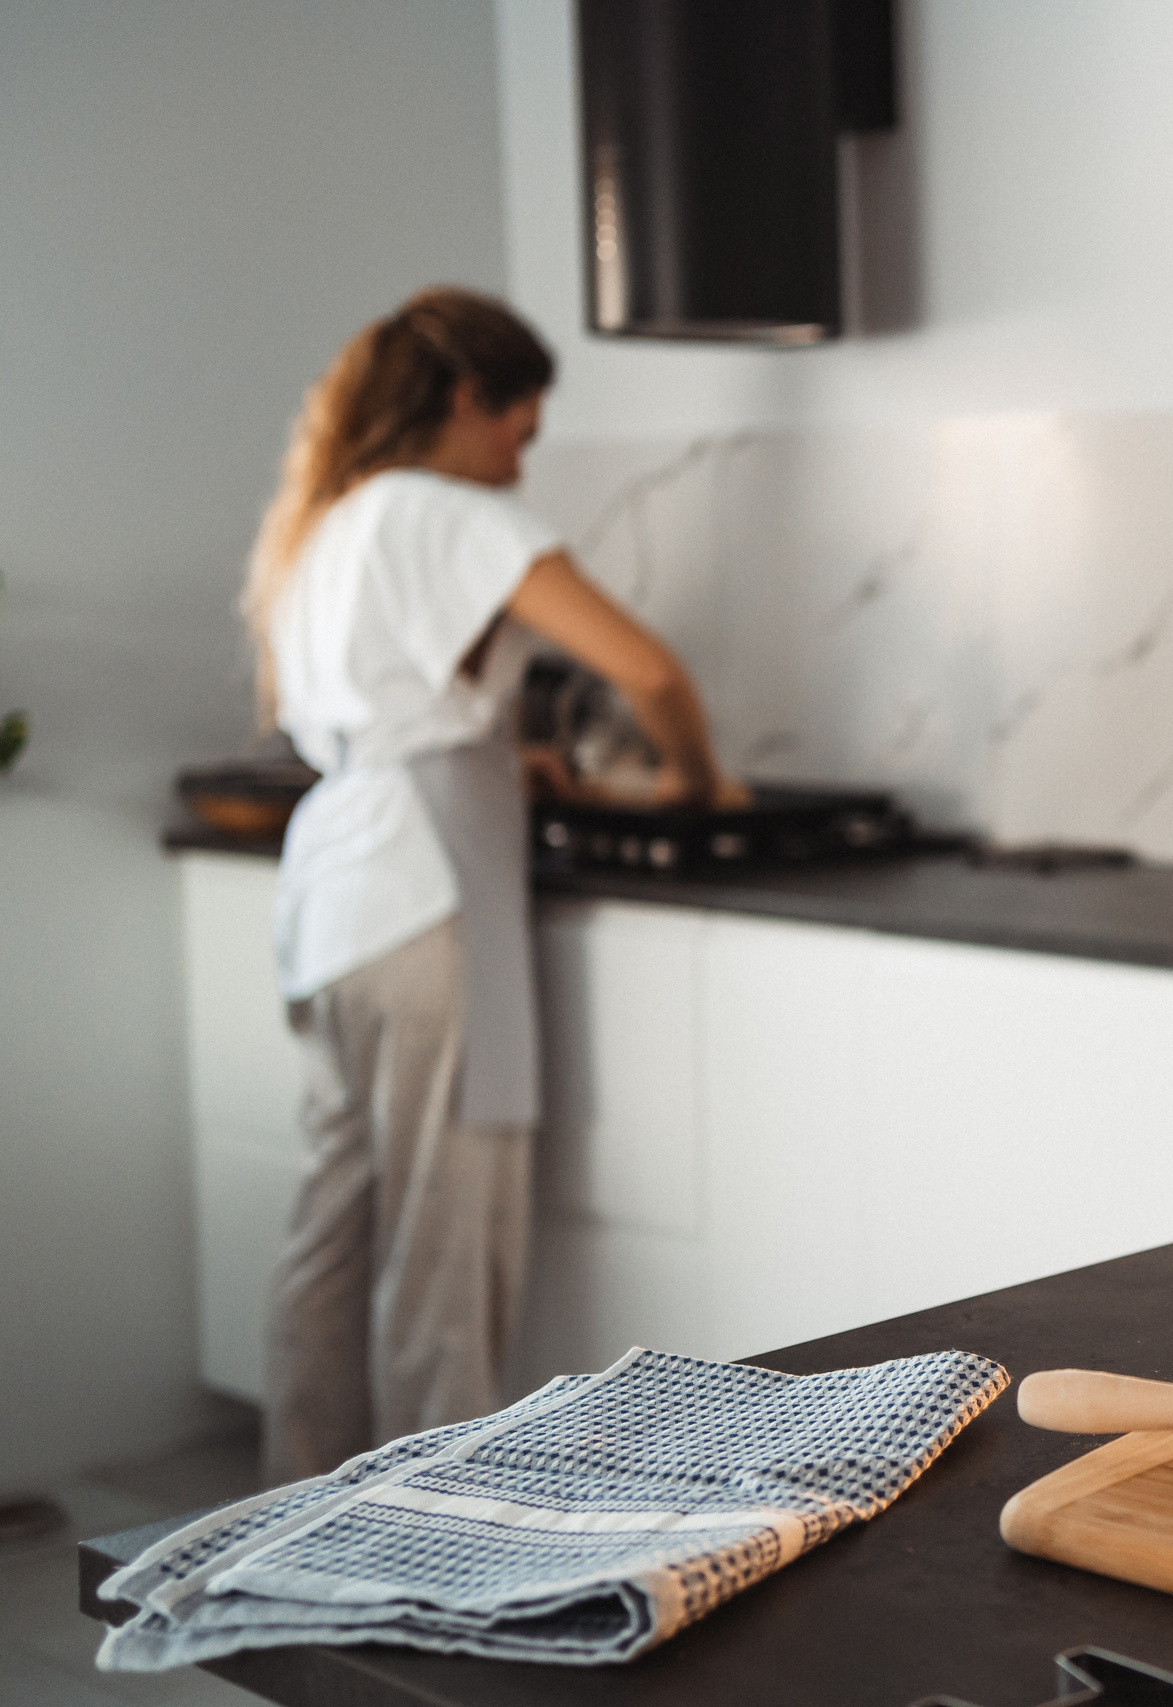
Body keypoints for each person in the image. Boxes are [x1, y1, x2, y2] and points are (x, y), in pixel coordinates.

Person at [244, 285, 744, 1481]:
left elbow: (395, 717)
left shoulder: (331, 518)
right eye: (522, 426)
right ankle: (440, 1528)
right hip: (421, 899)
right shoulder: (449, 509)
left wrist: (493, 755)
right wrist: (695, 785)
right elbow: (650, 672)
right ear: (471, 398)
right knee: (443, 1248)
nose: (524, 456)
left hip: (335, 898)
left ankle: (298, 1509)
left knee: (331, 1229)